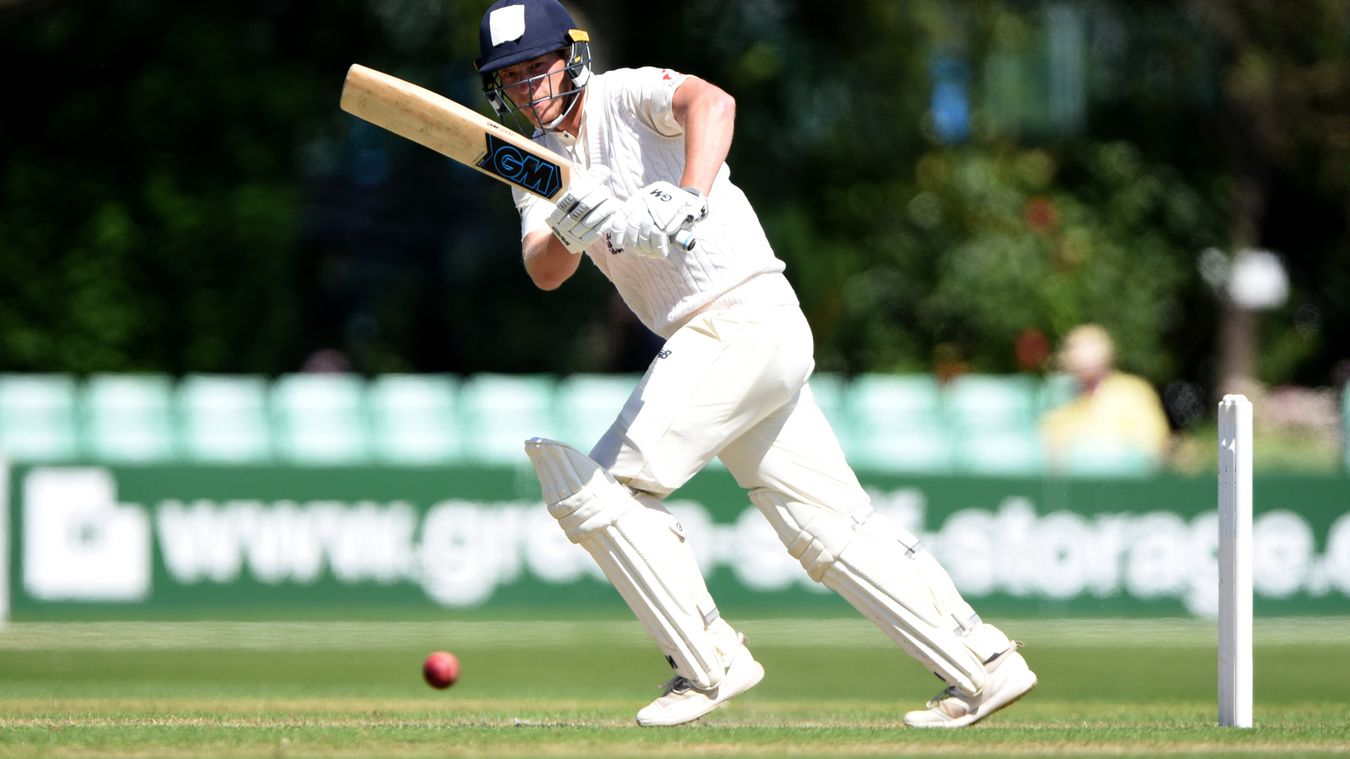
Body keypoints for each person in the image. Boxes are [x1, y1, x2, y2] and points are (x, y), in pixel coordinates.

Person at [474, 0, 1036, 728]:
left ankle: (708, 661)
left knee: (602, 490)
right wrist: (570, 229)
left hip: (739, 314)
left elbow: (713, 102)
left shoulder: (625, 92)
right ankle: (983, 663)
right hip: (721, 343)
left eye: (537, 68)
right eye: (510, 76)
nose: (527, 87)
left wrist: (687, 196)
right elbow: (544, 270)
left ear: (572, 57)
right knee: (827, 528)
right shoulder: (532, 163)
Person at [1042, 324, 1172, 472]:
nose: (1085, 357)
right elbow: (1051, 453)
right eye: (1076, 349)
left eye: (1090, 348)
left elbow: (1155, 445)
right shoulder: (1062, 401)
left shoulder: (1133, 393)